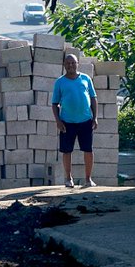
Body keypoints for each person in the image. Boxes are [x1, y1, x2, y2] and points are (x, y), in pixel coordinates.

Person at [51, 53, 97, 189]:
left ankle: (88, 179)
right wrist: (58, 121)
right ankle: (68, 178)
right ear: (64, 65)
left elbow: (93, 98)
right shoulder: (60, 82)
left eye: (73, 63)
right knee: (67, 151)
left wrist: (95, 117)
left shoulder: (85, 78)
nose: (70, 65)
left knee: (88, 150)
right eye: (68, 63)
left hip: (85, 121)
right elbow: (54, 103)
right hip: (67, 122)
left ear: (77, 64)